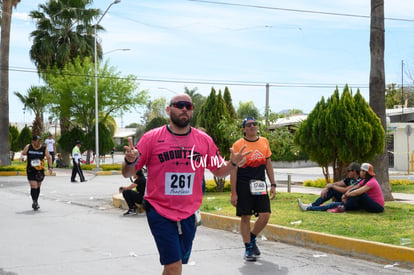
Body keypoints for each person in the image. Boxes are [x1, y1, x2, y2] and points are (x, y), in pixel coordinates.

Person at [122, 93, 250, 275]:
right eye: (179, 105)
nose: (184, 109)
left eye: (188, 106)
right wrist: (129, 161)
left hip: (189, 212)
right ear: (169, 109)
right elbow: (127, 173)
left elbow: (219, 171)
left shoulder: (203, 140)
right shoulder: (152, 138)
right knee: (174, 266)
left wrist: (233, 164)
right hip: (159, 210)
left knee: (175, 264)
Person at [230, 117, 277, 262]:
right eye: (248, 125)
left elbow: (268, 164)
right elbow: (233, 170)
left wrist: (273, 184)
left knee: (265, 215)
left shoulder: (264, 142)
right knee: (246, 216)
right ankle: (248, 248)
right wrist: (234, 193)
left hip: (259, 183)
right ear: (243, 129)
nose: (252, 126)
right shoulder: (238, 145)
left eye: (254, 124)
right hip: (243, 184)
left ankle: (251, 237)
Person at [297, 163, 384, 213]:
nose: (360, 172)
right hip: (361, 202)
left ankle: (342, 208)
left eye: (362, 171)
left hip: (377, 207)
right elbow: (351, 189)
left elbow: (357, 192)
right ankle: (310, 206)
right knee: (335, 201)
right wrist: (330, 187)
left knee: (358, 194)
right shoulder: (364, 180)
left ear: (365, 172)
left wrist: (346, 195)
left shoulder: (371, 182)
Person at [21, 135, 53, 210]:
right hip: (31, 169)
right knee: (33, 185)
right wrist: (22, 157)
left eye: (39, 141)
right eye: (37, 141)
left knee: (38, 185)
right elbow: (23, 153)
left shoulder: (43, 148)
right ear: (33, 141)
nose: (39, 142)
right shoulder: (29, 147)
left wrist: (50, 167)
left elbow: (49, 157)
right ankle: (34, 201)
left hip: (40, 170)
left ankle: (36, 201)